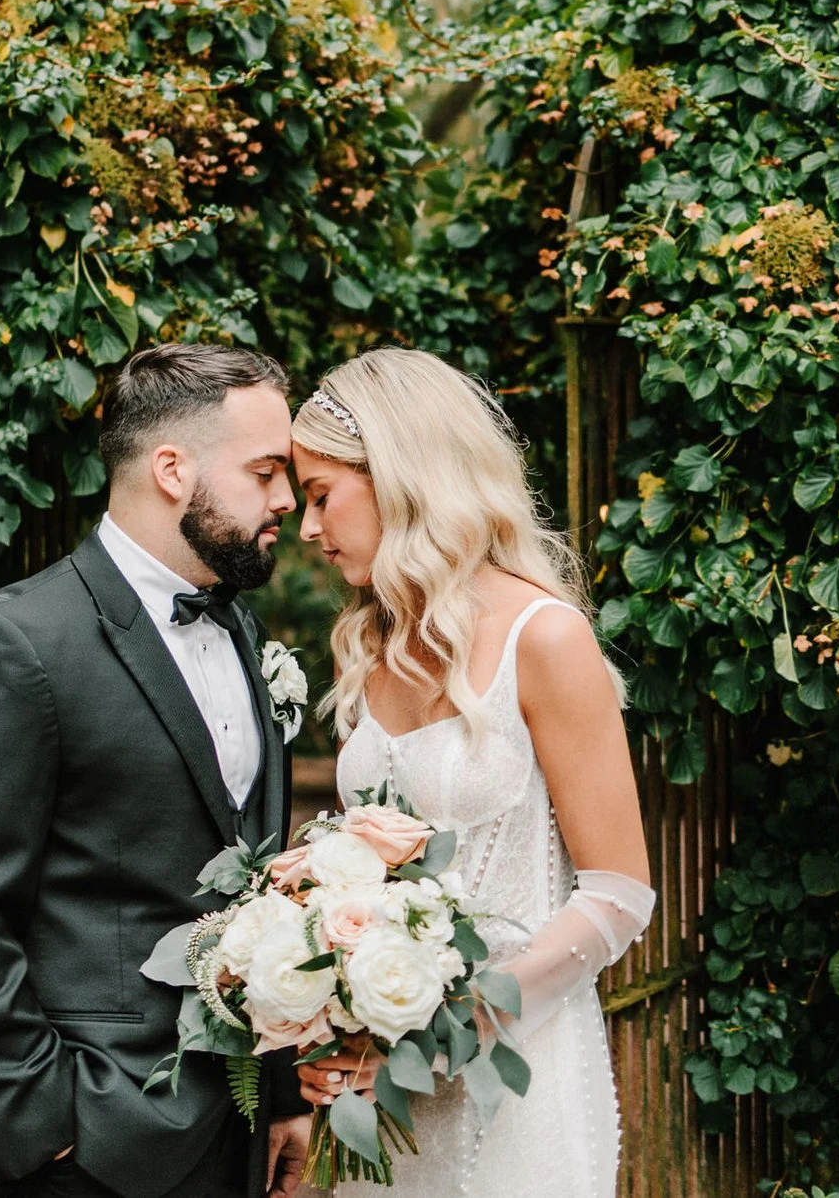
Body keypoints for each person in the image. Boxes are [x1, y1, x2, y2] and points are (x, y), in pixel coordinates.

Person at [0, 343, 314, 1198]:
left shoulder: (246, 634)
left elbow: (259, 894)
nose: (287, 500)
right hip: (84, 1146)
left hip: (231, 1141)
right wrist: (47, 1127)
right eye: (267, 470)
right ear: (171, 467)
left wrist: (277, 1095)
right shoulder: (14, 645)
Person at [290, 348, 654, 1197]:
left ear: (399, 474)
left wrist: (452, 1022)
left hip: (520, 1077)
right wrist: (333, 1022)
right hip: (390, 1097)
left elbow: (620, 892)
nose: (308, 528)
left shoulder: (545, 637)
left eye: (321, 496)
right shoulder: (371, 649)